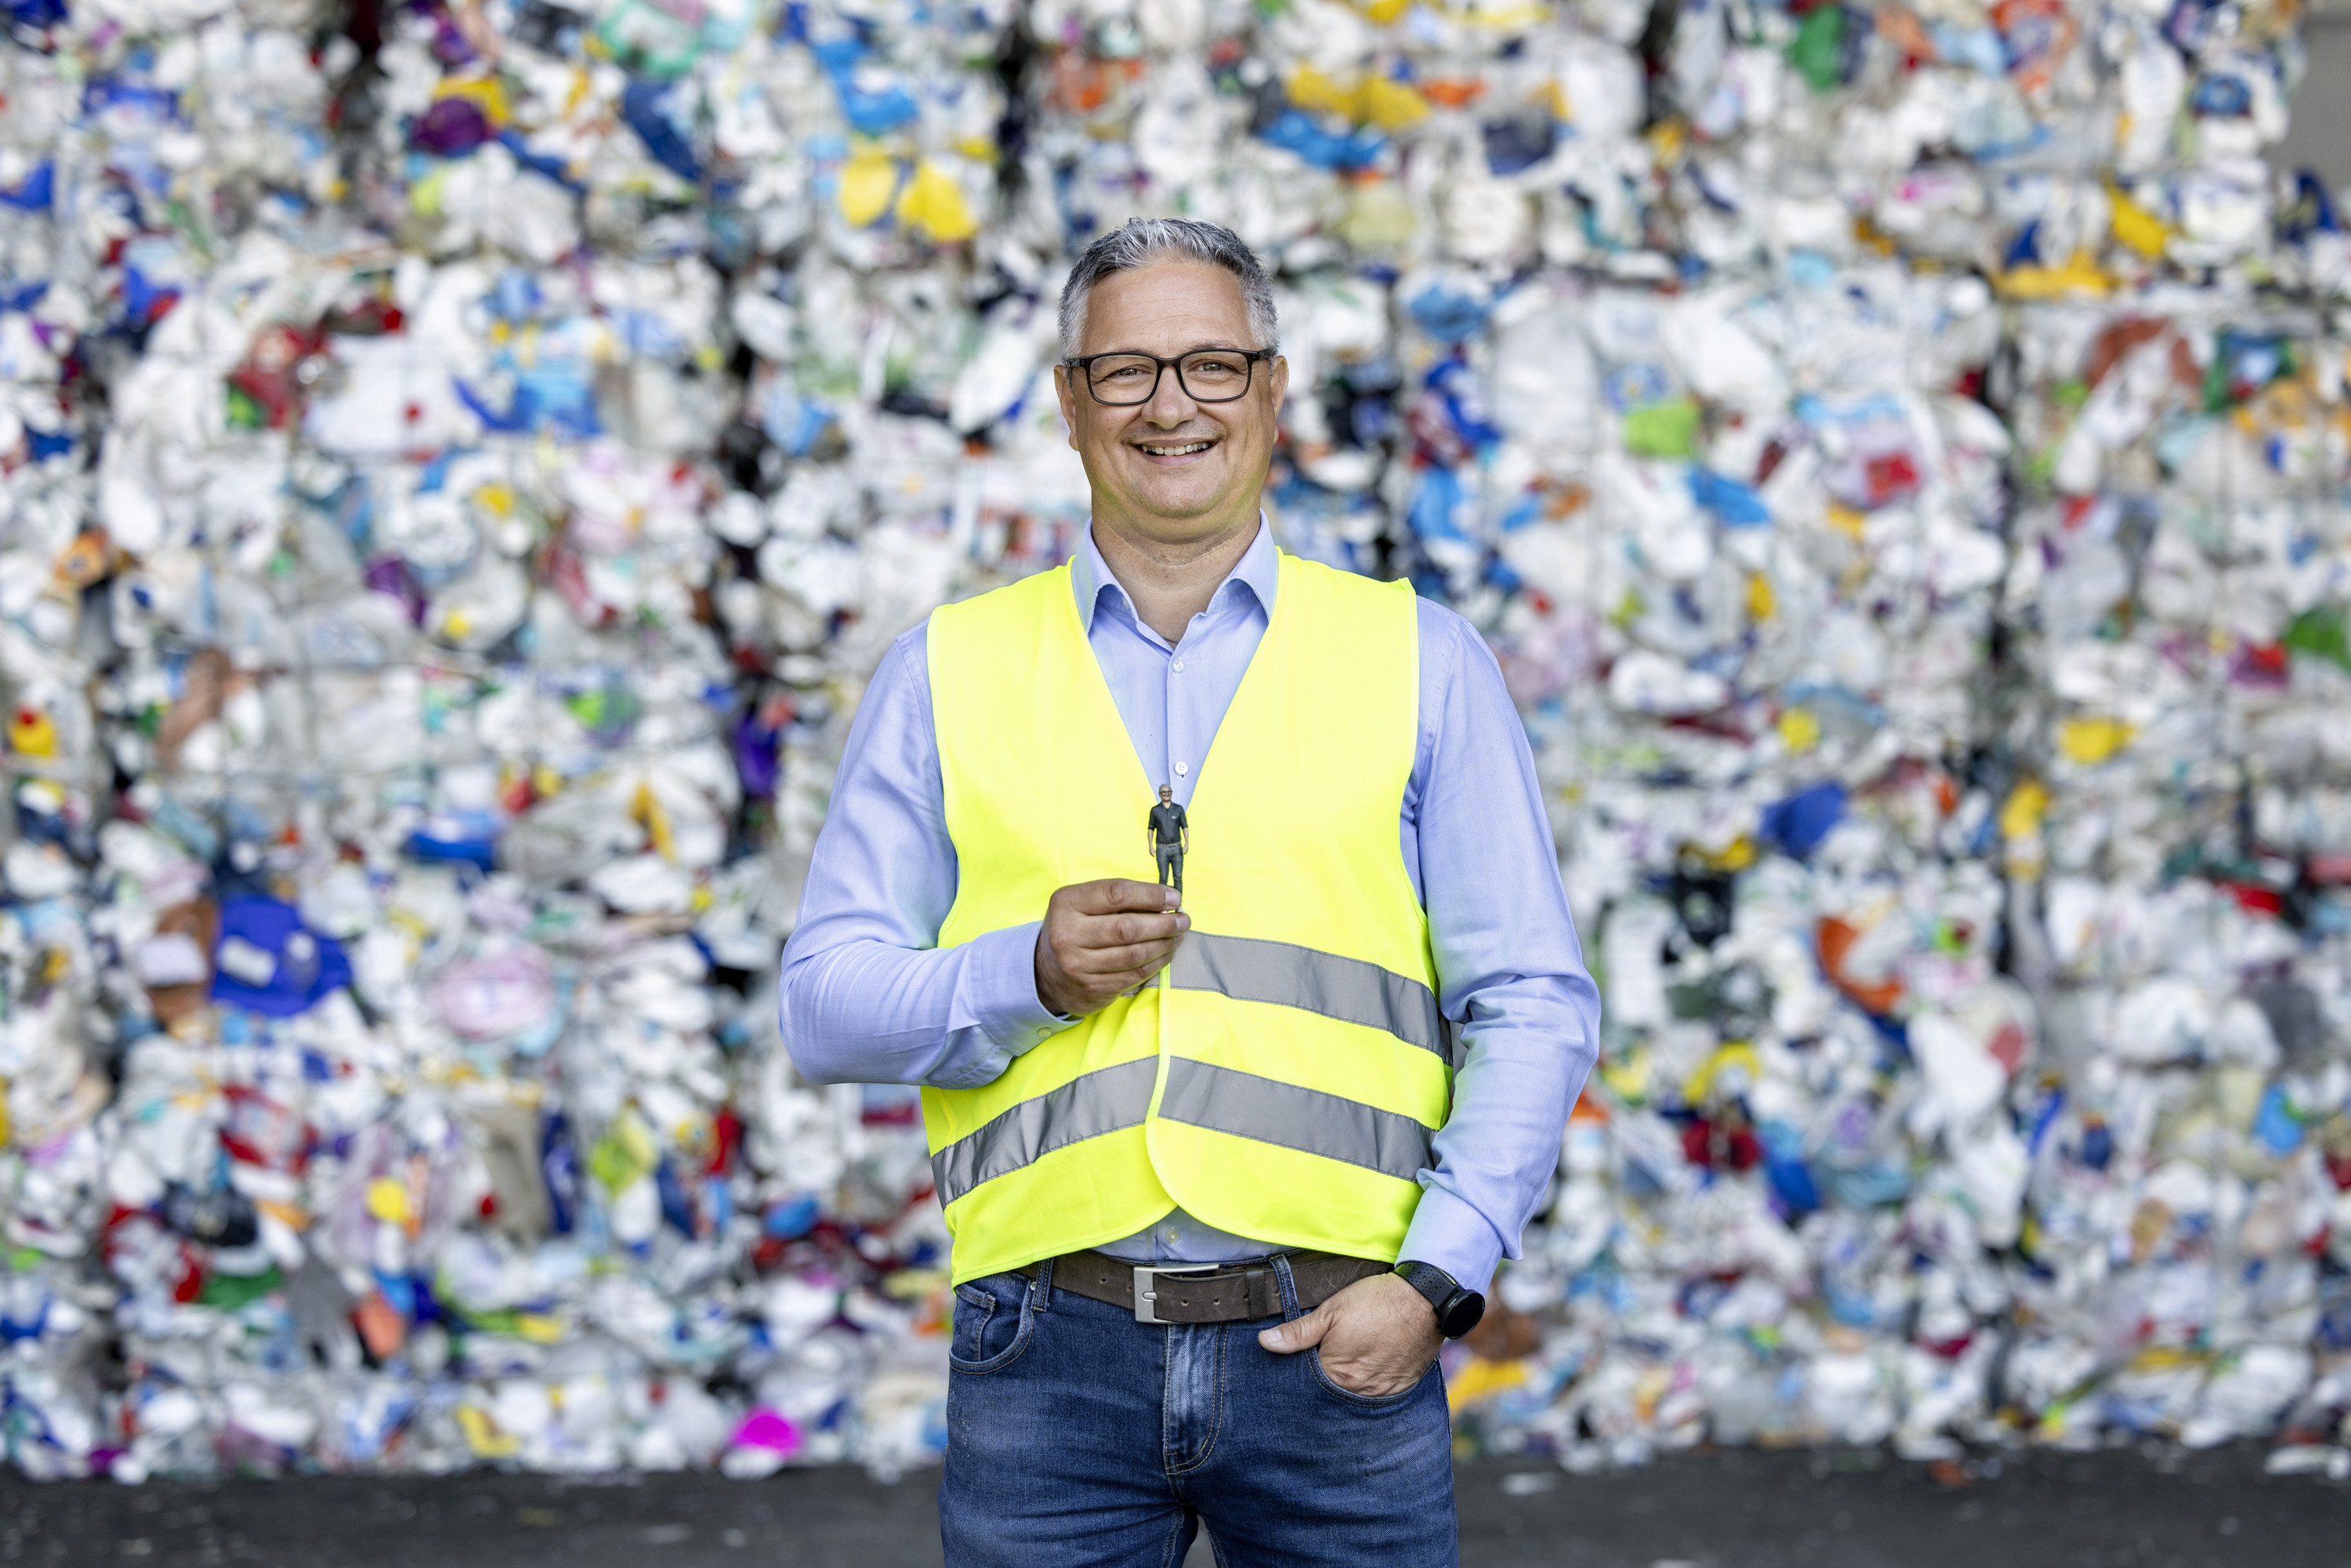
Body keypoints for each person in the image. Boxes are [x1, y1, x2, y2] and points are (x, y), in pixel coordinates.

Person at [777, 217, 1600, 1567]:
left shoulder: (1419, 659)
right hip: (1047, 1348)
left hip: (1342, 1344)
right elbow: (824, 1007)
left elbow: (1532, 1001)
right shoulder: (947, 667)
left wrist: (1437, 1278)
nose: (1172, 405)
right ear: (1067, 400)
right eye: (1126, 370)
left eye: (1215, 364)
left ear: (1273, 391)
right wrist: (1021, 977)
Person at [1148, 783, 1187, 893]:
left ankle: (1178, 905)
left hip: (1176, 847)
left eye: (1169, 792)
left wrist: (1186, 843)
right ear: (1160, 794)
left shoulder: (1178, 809)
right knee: (1163, 878)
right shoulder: (1155, 810)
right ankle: (1163, 905)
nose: (1166, 794)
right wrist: (1151, 846)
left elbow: (1185, 827)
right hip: (1162, 848)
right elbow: (1151, 829)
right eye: (1164, 792)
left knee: (1178, 878)